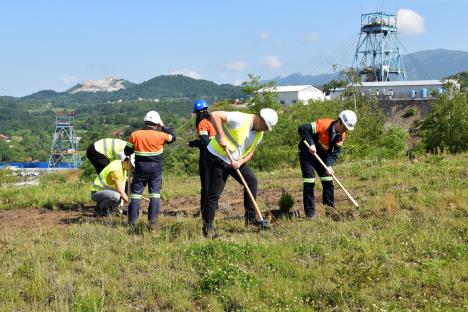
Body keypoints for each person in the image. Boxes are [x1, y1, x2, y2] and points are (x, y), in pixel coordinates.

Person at [202, 108, 278, 237]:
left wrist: (241, 162)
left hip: (235, 161)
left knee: (251, 181)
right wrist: (221, 136)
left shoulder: (259, 133)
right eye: (265, 126)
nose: (265, 130)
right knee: (214, 193)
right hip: (217, 157)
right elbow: (214, 115)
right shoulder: (240, 118)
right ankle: (207, 229)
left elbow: (251, 151)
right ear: (260, 119)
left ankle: (250, 218)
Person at [297, 110, 357, 218]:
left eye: (347, 129)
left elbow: (335, 153)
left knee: (328, 181)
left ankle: (330, 211)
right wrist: (311, 144)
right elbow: (302, 128)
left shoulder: (341, 136)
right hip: (307, 153)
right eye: (344, 127)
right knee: (310, 181)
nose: (345, 130)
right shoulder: (323, 124)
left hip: (323, 156)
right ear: (339, 122)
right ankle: (310, 214)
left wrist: (329, 165)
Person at [124, 111, 176, 227]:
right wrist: (163, 126)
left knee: (136, 195)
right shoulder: (162, 136)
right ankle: (152, 223)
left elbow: (126, 151)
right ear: (157, 124)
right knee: (155, 195)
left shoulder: (135, 135)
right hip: (156, 171)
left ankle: (132, 223)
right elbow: (173, 138)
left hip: (140, 170)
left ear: (145, 122)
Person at [187, 99, 217, 216]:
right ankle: (213, 207)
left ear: (197, 113)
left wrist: (193, 143)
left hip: (207, 156)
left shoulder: (202, 123)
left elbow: (205, 142)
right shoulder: (211, 121)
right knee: (214, 183)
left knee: (206, 185)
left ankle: (204, 210)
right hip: (216, 154)